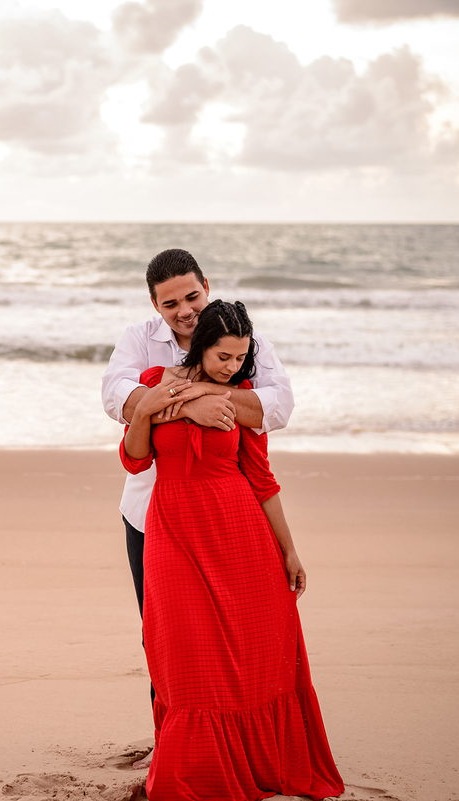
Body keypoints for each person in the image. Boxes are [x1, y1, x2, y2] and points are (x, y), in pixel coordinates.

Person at [120, 299, 343, 800]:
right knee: (181, 651)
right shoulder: (157, 380)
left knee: (249, 657)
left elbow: (262, 479)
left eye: (241, 358)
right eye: (223, 356)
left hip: (240, 534)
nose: (233, 366)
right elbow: (134, 458)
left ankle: (249, 762)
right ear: (201, 346)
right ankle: (190, 766)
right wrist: (152, 406)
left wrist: (289, 551)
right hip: (173, 531)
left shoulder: (240, 400)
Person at [101, 248, 295, 630]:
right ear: (155, 305)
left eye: (192, 297)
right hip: (148, 511)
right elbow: (116, 397)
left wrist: (205, 392)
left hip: (223, 517)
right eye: (170, 304)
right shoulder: (139, 339)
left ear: (206, 286)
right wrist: (191, 407)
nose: (185, 311)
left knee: (229, 630)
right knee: (162, 633)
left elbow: (278, 407)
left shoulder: (243, 342)